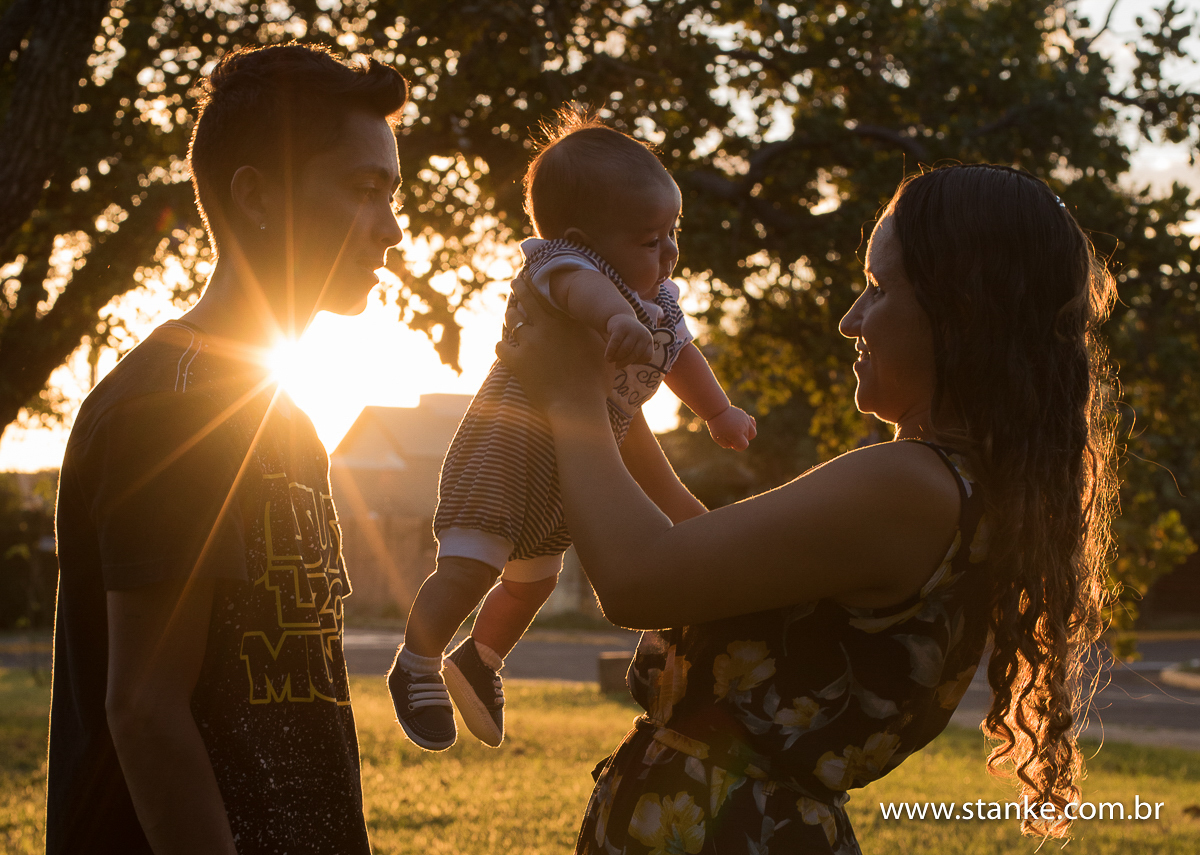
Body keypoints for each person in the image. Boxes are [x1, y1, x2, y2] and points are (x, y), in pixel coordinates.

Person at [498, 164, 1116, 853]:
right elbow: (697, 553)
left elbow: (638, 577)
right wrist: (613, 403)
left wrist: (566, 392)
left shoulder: (909, 485)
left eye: (878, 288)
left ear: (961, 309)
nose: (851, 318)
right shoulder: (960, 492)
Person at [48, 44, 406, 855]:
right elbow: (143, 708)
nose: (391, 229)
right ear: (257, 196)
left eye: (394, 195)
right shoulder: (171, 410)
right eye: (363, 190)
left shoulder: (282, 414)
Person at [388, 112, 757, 752]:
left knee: (532, 581)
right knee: (473, 566)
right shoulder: (559, 267)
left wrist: (716, 411)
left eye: (672, 234)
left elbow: (681, 356)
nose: (668, 253)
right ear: (586, 239)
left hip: (568, 467)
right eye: (649, 240)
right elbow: (584, 290)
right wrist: (616, 317)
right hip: (504, 452)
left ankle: (480, 660)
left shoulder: (660, 302)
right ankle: (417, 662)